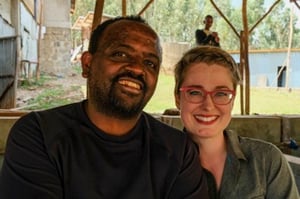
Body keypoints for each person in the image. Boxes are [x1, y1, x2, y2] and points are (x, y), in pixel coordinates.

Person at [0, 16, 209, 198]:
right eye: (121, 54)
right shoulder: (39, 135)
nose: (137, 68)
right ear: (87, 64)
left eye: (150, 63)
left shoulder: (178, 152)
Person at [174, 46, 299, 198]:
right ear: (177, 98)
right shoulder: (158, 165)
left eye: (221, 94)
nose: (208, 106)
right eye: (194, 92)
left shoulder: (267, 160)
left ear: (232, 101)